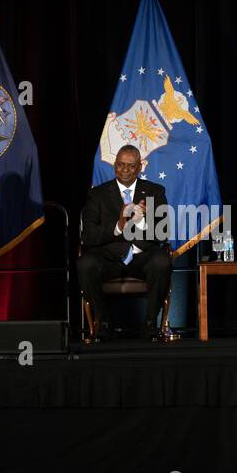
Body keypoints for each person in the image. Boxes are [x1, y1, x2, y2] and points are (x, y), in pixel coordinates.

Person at [78, 145, 172, 341]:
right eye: (120, 165)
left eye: (131, 166)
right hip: (110, 258)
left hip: (141, 257)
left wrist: (143, 221)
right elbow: (88, 236)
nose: (125, 170)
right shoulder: (98, 194)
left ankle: (150, 324)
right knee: (86, 263)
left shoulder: (154, 192)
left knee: (161, 260)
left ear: (139, 167)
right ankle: (103, 323)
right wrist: (119, 226)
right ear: (114, 166)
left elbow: (162, 234)